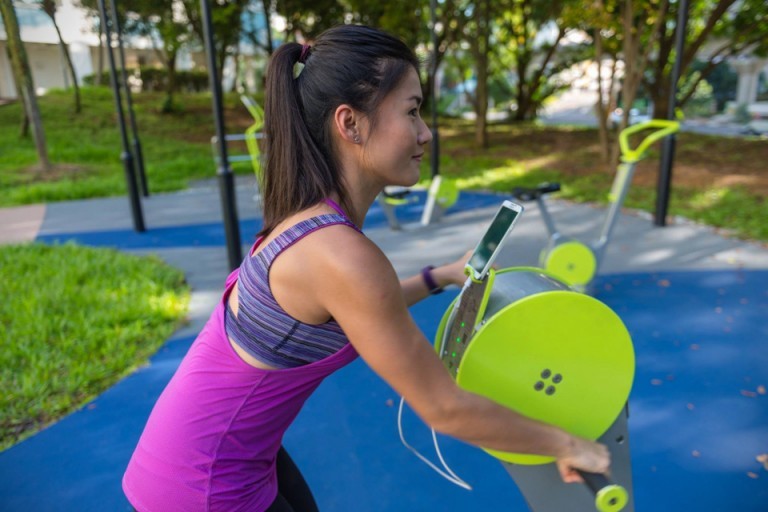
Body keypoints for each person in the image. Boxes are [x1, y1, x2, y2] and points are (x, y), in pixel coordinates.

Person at [122, 24, 610, 512]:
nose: (426, 132)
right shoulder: (342, 255)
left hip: (219, 456)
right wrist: (569, 445)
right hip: (201, 485)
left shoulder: (308, 220)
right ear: (350, 123)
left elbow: (355, 308)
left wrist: (437, 276)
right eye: (412, 111)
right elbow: (445, 409)